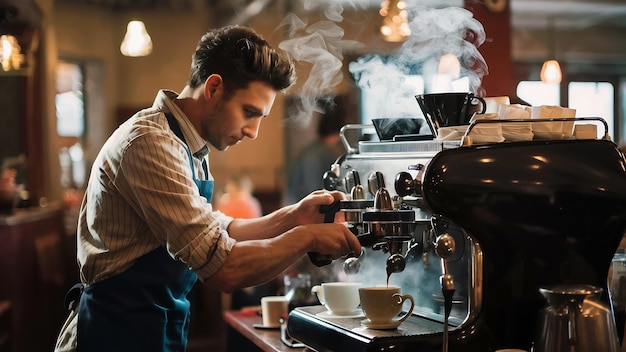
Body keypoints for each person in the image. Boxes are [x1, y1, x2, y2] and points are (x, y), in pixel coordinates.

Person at [54, 25, 361, 352]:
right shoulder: (151, 143)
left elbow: (218, 230)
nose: (253, 131)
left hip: (152, 328)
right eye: (249, 112)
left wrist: (295, 216)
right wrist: (308, 237)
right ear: (214, 88)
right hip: (110, 333)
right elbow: (224, 268)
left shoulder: (190, 145)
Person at [286, 102, 344, 205]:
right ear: (339, 133)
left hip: (295, 207)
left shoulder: (307, 151)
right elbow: (316, 191)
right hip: (309, 211)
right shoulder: (326, 154)